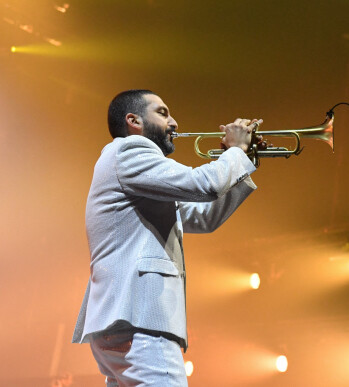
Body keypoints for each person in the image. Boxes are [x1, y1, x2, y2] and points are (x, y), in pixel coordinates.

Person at [72, 89, 259, 386]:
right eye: (162, 112)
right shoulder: (129, 151)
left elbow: (204, 217)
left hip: (122, 319)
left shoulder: (136, 174)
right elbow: (204, 184)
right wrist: (236, 151)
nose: (174, 122)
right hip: (140, 318)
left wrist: (243, 161)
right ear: (133, 120)